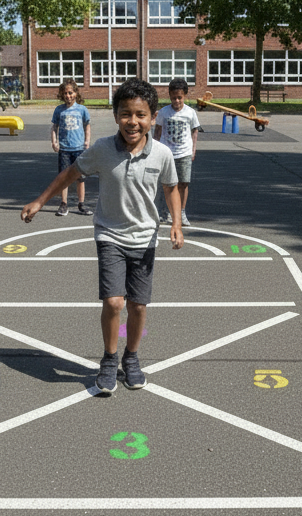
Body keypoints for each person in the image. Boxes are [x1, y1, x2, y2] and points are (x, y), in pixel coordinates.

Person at [22, 78, 183, 395]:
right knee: (113, 302)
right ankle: (110, 359)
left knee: (137, 306)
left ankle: (131, 358)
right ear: (115, 115)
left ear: (152, 118)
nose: (132, 122)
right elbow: (70, 173)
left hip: (145, 238)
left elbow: (171, 188)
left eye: (140, 115)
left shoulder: (162, 154)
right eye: (125, 114)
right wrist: (41, 200)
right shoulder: (102, 150)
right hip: (109, 233)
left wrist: (176, 223)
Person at [153, 77, 200, 226]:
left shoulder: (190, 113)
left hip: (184, 153)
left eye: (179, 97)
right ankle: (166, 212)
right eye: (174, 98)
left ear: (185, 95)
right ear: (169, 96)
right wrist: (154, 148)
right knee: (167, 183)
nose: (177, 101)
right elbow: (158, 131)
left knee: (183, 183)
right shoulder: (164, 112)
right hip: (167, 153)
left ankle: (181, 213)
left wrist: (193, 150)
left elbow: (194, 131)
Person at [50, 78, 93, 216]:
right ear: (62, 95)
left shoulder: (82, 109)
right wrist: (54, 142)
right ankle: (64, 204)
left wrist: (87, 140)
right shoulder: (59, 110)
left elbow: (87, 125)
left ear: (76, 93)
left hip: (79, 148)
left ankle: (81, 204)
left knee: (80, 178)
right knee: (64, 178)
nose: (68, 96)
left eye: (70, 93)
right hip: (64, 149)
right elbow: (54, 127)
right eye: (65, 93)